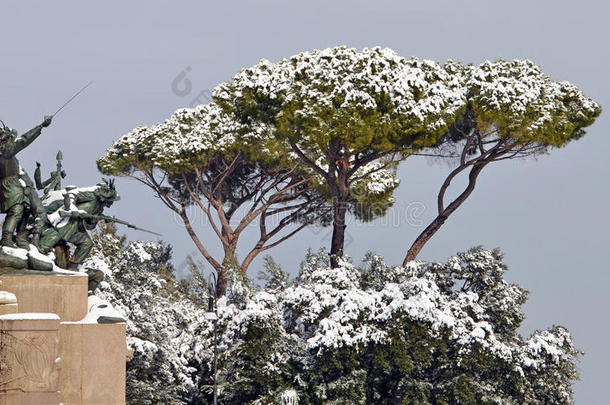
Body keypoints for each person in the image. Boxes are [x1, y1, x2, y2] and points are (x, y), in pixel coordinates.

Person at [39, 179, 120, 269]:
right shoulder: (91, 194)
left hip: (77, 229)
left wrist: (99, 218)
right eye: (111, 200)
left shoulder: (100, 208)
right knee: (43, 247)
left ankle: (72, 268)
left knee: (87, 244)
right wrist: (73, 209)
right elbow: (71, 194)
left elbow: (89, 226)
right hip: (64, 225)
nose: (111, 203)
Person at [0, 117, 52, 248]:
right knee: (17, 209)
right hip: (11, 185)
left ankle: (17, 237)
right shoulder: (6, 151)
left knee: (22, 209)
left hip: (13, 184)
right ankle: (7, 238)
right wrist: (41, 126)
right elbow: (24, 140)